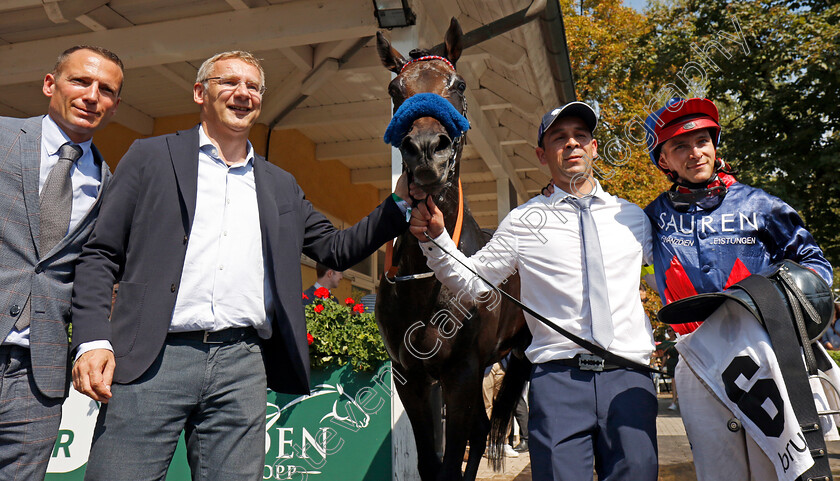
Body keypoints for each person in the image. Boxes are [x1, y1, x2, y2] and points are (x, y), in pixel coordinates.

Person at [69, 50, 411, 480]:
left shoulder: (280, 185)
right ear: (200, 92)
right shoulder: (150, 157)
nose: (242, 93)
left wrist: (401, 203)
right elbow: (101, 253)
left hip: (241, 365)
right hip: (152, 359)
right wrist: (92, 339)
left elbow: (336, 249)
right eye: (229, 82)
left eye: (253, 87)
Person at [410, 102, 658, 480]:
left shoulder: (634, 217)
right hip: (558, 381)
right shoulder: (524, 221)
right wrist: (436, 239)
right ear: (542, 155)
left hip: (629, 377)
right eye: (559, 138)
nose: (572, 144)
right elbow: (472, 282)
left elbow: (673, 283)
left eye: (581, 136)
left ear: (593, 147)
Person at [642, 97, 832, 479]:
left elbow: (817, 265)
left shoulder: (760, 204)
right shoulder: (651, 218)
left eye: (702, 141)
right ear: (664, 160)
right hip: (696, 360)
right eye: (680, 146)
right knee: (718, 473)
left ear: (714, 145)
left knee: (777, 469)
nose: (695, 153)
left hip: (765, 353)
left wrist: (786, 307)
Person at [0, 45, 122, 480]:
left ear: (114, 105)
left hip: (39, 379)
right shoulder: (3, 136)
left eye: (105, 89)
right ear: (50, 84)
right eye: (80, 81)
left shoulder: (110, 184)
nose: (92, 95)